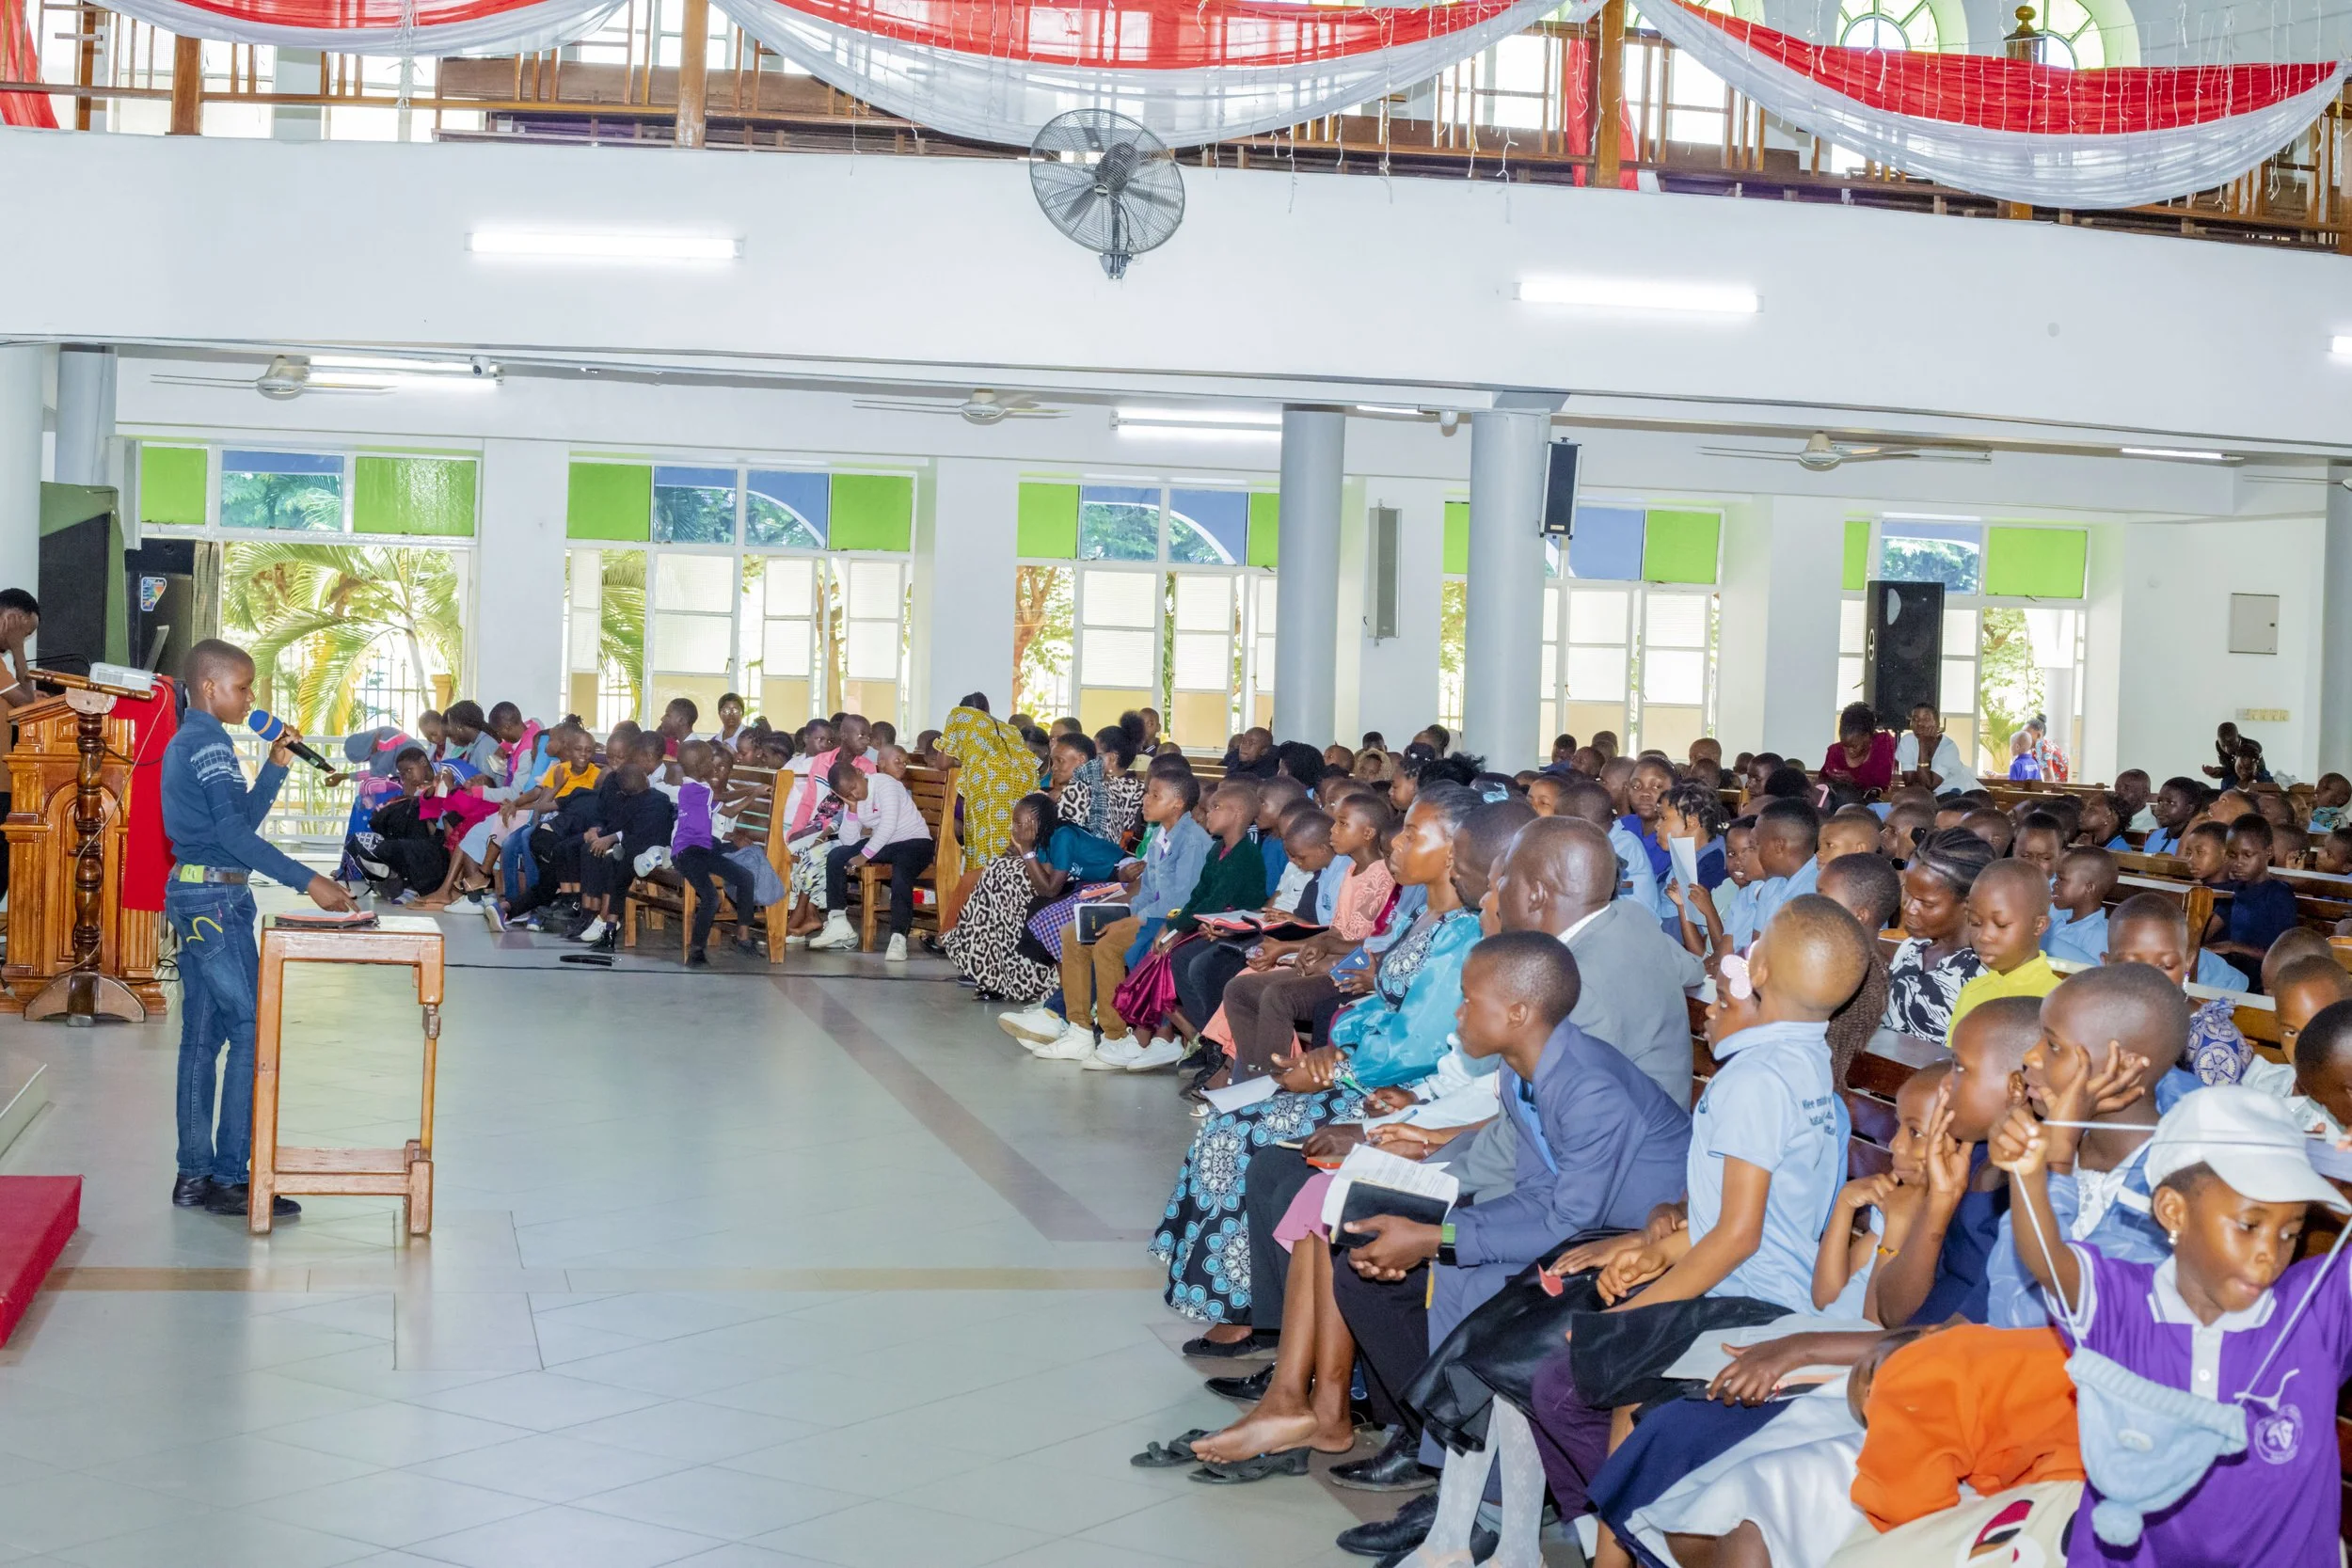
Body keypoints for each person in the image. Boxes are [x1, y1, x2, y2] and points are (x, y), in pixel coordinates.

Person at [1526, 895, 1873, 1519]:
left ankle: (1631, 1527)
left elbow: (1737, 1237)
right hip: (1763, 1286)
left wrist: (1636, 1314)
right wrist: (1658, 1253)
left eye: (1760, 941)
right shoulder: (1808, 1063)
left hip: (1747, 1304)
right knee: (1582, 1367)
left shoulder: (1756, 1079)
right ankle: (1625, 1525)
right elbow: (1740, 1221)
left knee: (1561, 1385)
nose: (1751, 947)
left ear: (1761, 972)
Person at [1151, 786, 1480, 1326]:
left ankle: (1252, 1311)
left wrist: (1337, 1070)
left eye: (1413, 834)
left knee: (1240, 1136)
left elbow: (1418, 1045)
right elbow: (1382, 1006)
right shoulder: (1425, 916)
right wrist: (1331, 1047)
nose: (1398, 842)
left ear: (1454, 852)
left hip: (1391, 1096)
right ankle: (1248, 1306)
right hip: (1360, 1071)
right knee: (1228, 1122)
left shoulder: (1462, 933)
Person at [1994, 1082, 2352, 1565]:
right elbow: (2048, 1262)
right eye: (2249, 1225)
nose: (2271, 1252)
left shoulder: (2317, 1307)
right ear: (2172, 1211)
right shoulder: (2121, 1303)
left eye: (2290, 1232)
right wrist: (2028, 1178)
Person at [163, 639, 357, 1219]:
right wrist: (308, 880)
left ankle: (193, 1176)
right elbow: (237, 839)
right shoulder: (210, 744)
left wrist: (275, 768)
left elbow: (234, 825)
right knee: (250, 1028)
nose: (251, 698)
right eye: (243, 688)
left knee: (201, 1038)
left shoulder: (194, 740)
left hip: (197, 891)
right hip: (217, 901)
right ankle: (229, 1178)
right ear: (209, 688)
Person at [811, 754, 935, 959]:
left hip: (915, 842)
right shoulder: (855, 799)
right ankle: (839, 923)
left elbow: (888, 826)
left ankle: (898, 937)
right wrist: (851, 810)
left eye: (854, 787)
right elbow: (849, 841)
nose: (855, 794)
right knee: (836, 856)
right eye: (847, 793)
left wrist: (864, 856)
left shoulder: (885, 784)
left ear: (860, 773)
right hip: (885, 844)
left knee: (902, 872)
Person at [1882, 829, 1992, 1041]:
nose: (1909, 908)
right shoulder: (1912, 948)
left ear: (1969, 905)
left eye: (1927, 903)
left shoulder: (1983, 973)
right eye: (1908, 893)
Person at [667, 739, 760, 965]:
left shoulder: (700, 789)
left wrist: (752, 794)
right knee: (710, 897)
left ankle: (742, 937)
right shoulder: (693, 789)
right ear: (701, 767)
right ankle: (696, 950)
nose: (713, 763)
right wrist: (753, 792)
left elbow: (725, 808)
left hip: (704, 848)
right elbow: (726, 803)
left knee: (745, 878)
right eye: (710, 760)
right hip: (686, 853)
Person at [1947, 860, 2059, 1034]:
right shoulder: (1972, 991)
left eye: (2001, 924)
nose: (1984, 936)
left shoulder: (2056, 1002)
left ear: (2039, 926)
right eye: (1975, 922)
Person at [2205, 816, 2301, 986]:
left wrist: (2234, 946)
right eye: (2232, 855)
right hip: (2234, 973)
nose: (2238, 863)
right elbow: (2209, 930)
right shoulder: (2234, 891)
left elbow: (2283, 955)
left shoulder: (2279, 895)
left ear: (2268, 852)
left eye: (2247, 855)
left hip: (2263, 981)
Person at [2043, 846, 2120, 963]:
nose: (2054, 885)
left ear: (2088, 888)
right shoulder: (2057, 920)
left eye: (2061, 879)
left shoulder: (2098, 935)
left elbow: (2091, 975)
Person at [1892, 702, 1978, 796]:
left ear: (1937, 724)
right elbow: (1909, 783)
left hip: (1964, 795)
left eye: (1926, 719)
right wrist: (1922, 744)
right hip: (1936, 798)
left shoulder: (1948, 747)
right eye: (1915, 719)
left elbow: (1928, 786)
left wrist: (1923, 746)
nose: (1919, 723)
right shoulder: (1907, 741)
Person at [1820, 702, 1896, 794]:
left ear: (1868, 736)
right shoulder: (1834, 751)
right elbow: (1822, 780)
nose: (1850, 750)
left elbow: (1882, 784)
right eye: (1845, 745)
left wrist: (1854, 781)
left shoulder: (1882, 744)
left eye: (1854, 746)